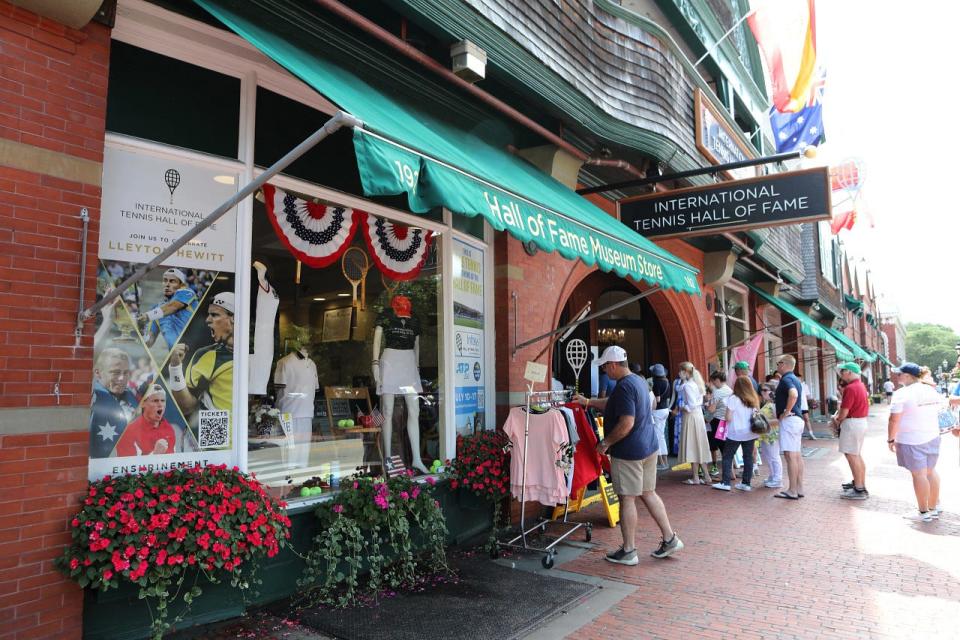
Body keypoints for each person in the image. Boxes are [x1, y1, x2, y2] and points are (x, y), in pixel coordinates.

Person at [574, 346, 683, 564]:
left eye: (605, 367)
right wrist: (588, 402)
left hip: (630, 452)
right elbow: (614, 404)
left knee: (627, 498)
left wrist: (605, 443)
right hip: (648, 446)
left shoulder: (623, 387)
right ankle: (670, 538)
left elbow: (626, 422)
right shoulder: (638, 381)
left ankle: (629, 550)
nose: (605, 371)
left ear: (613, 365)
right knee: (648, 493)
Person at [373, 295, 428, 474]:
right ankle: (388, 459)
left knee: (415, 410)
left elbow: (417, 346)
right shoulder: (386, 315)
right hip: (390, 360)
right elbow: (377, 340)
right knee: (387, 411)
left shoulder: (415, 320)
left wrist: (416, 367)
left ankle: (417, 459)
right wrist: (374, 363)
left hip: (409, 363)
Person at [888, 362, 944, 522]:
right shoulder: (930, 390)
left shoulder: (901, 394)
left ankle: (923, 511)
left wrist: (891, 439)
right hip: (933, 435)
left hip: (911, 439)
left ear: (907, 376)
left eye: (899, 374)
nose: (897, 376)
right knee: (930, 471)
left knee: (919, 474)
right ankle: (934, 507)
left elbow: (894, 420)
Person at [168, 292, 234, 417]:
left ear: (234, 318)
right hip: (217, 435)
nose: (207, 320)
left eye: (214, 315)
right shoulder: (206, 355)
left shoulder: (253, 354)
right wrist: (175, 368)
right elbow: (186, 407)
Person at [89, 347, 140, 458]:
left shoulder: (132, 396)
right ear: (98, 373)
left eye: (126, 373)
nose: (122, 378)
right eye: (116, 373)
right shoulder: (91, 398)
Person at [830, 363, 870, 500]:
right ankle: (860, 484)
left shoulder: (850, 388)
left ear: (849, 372)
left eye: (842, 372)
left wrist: (837, 419)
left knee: (852, 455)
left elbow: (844, 412)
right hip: (860, 421)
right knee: (856, 454)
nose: (841, 374)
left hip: (852, 423)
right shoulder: (860, 385)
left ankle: (859, 488)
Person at [714, 376, 760, 492]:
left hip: (735, 432)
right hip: (750, 432)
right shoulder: (753, 398)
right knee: (748, 457)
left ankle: (725, 483)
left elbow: (728, 417)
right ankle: (746, 483)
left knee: (727, 456)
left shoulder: (733, 398)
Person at [138, 268, 199, 349]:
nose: (167, 284)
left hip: (196, 349)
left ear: (181, 285)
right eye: (165, 280)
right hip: (176, 356)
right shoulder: (156, 309)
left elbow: (173, 306)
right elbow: (149, 343)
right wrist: (141, 331)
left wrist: (146, 316)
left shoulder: (187, 292)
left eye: (172, 281)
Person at [773, 355, 805, 500]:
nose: (777, 365)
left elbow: (793, 394)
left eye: (778, 363)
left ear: (784, 364)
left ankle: (792, 490)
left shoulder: (786, 379)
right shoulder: (795, 379)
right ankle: (798, 488)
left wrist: (785, 412)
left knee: (790, 456)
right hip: (797, 419)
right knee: (796, 455)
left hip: (790, 420)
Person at [115, 384, 177, 457]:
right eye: (155, 401)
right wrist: (155, 454)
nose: (160, 405)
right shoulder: (127, 433)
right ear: (143, 403)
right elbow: (127, 466)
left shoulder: (168, 428)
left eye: (163, 401)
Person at [677, 362, 713, 486]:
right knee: (700, 445)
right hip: (698, 416)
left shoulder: (688, 385)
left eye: (680, 371)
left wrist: (682, 407)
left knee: (692, 446)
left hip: (691, 417)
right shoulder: (697, 383)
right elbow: (699, 402)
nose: (679, 373)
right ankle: (706, 476)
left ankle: (696, 477)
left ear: (685, 372)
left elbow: (691, 405)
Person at [705, 370, 733, 477]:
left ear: (717, 380)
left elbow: (711, 410)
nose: (712, 384)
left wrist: (705, 404)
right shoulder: (729, 390)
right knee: (725, 448)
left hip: (718, 422)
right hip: (726, 421)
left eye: (712, 382)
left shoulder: (717, 392)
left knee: (721, 448)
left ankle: (728, 475)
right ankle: (731, 473)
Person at [757, 384, 782, 488]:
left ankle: (778, 478)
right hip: (765, 434)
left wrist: (764, 421)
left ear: (772, 391)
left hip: (772, 434)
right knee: (768, 456)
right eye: (761, 390)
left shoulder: (774, 405)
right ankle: (773, 476)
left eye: (765, 390)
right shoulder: (766, 404)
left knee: (774, 456)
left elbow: (779, 420)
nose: (763, 392)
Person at [649, 364, 673, 470]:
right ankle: (665, 460)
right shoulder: (667, 381)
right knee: (661, 436)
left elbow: (657, 399)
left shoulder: (656, 383)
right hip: (665, 410)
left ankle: (661, 463)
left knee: (657, 437)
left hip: (658, 411)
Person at [797, 373, 816, 440]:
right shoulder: (792, 385)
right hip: (796, 406)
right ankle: (798, 434)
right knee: (798, 420)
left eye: (799, 378)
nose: (798, 379)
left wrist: (812, 401)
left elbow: (808, 396)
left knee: (806, 419)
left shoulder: (804, 386)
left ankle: (811, 433)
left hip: (803, 405)